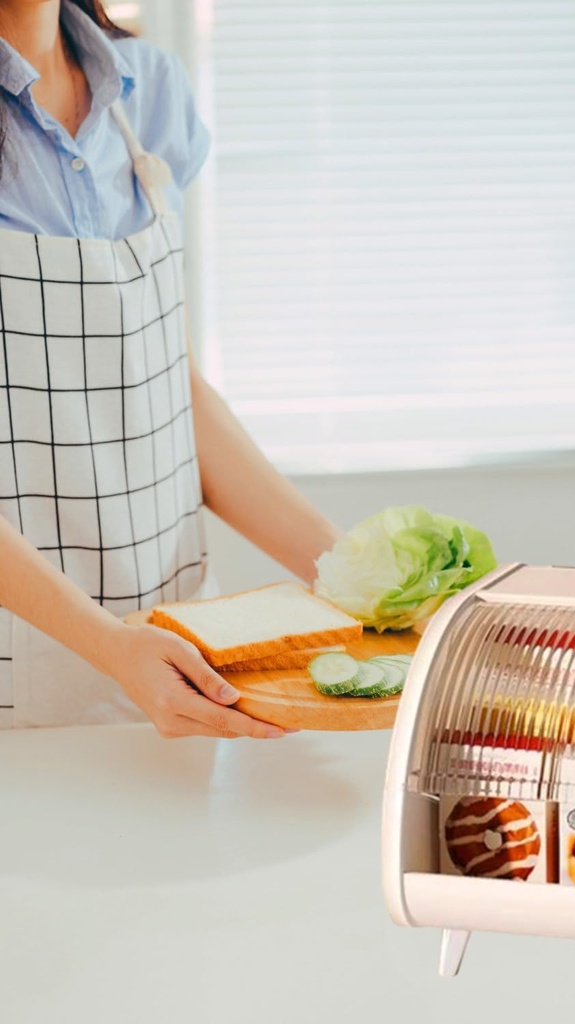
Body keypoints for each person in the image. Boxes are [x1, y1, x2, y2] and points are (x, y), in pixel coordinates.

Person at [0, 0, 344, 737]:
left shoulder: (149, 91)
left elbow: (167, 386)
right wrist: (108, 646)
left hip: (180, 662)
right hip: (24, 676)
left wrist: (352, 575)